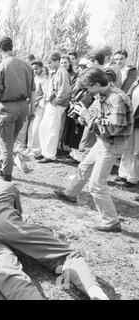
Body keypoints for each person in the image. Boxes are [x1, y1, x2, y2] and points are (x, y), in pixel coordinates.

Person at [0, 164, 110, 300]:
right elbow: (18, 212)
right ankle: (95, 291)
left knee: (8, 274)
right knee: (66, 256)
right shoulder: (8, 185)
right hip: (8, 222)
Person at [54, 68, 133, 233]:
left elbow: (111, 128)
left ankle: (111, 221)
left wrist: (88, 116)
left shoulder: (117, 98)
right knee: (84, 167)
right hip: (103, 141)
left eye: (88, 88)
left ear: (96, 84)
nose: (87, 92)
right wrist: (82, 116)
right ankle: (71, 193)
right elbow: (99, 122)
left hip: (112, 144)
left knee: (96, 184)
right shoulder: (102, 95)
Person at [0, 36, 35, 182]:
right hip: (23, 107)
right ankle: (3, 167)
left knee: (5, 145)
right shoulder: (27, 65)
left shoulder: (0, 67)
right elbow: (33, 91)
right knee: (9, 142)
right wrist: (32, 110)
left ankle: (6, 178)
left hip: (7, 108)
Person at [36, 52, 71, 164]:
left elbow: (65, 90)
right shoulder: (54, 72)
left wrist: (56, 101)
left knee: (52, 129)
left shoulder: (61, 72)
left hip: (56, 104)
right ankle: (45, 152)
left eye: (50, 62)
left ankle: (50, 155)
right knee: (43, 127)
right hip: (50, 103)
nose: (48, 65)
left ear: (57, 61)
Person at [116, 75, 139, 188]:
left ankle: (133, 177)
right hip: (132, 120)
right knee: (127, 148)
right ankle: (123, 174)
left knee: (137, 152)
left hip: (138, 122)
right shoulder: (135, 83)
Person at [60, 54, 84, 162]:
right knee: (67, 127)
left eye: (65, 62)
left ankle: (74, 152)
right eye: (62, 62)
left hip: (76, 104)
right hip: (68, 103)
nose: (63, 64)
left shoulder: (76, 75)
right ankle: (66, 149)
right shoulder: (60, 73)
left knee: (74, 128)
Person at [27, 60, 48, 157]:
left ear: (41, 68)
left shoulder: (45, 79)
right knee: (31, 127)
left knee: (36, 128)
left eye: (36, 69)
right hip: (32, 105)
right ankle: (29, 147)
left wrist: (37, 101)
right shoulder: (34, 78)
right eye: (33, 69)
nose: (34, 71)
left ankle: (36, 150)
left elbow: (45, 94)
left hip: (40, 106)